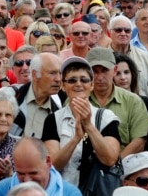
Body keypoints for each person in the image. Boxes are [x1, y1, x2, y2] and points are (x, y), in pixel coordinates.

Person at [41, 56, 121, 190]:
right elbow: (52, 164)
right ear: (63, 86)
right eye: (72, 80)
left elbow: (110, 159)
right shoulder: (53, 119)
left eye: (84, 79)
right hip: (63, 191)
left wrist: (89, 126)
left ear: (92, 85)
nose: (78, 84)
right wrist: (76, 139)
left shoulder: (107, 117)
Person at [86, 47, 148, 158]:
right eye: (95, 71)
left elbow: (139, 141)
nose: (100, 77)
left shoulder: (133, 102)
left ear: (114, 70)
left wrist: (115, 165)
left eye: (105, 70)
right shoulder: (77, 101)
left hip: (124, 167)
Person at [0, 137, 82, 196]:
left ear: (48, 162)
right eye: (20, 173)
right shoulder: (2, 189)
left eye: (33, 173)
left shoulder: (70, 193)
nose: (27, 180)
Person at [10, 53, 63, 138]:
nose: (58, 79)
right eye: (52, 73)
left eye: (60, 73)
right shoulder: (11, 96)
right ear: (35, 74)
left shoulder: (57, 112)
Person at [113, 53, 148, 122]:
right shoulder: (108, 104)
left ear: (132, 74)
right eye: (118, 74)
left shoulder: (145, 102)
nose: (123, 77)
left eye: (126, 72)